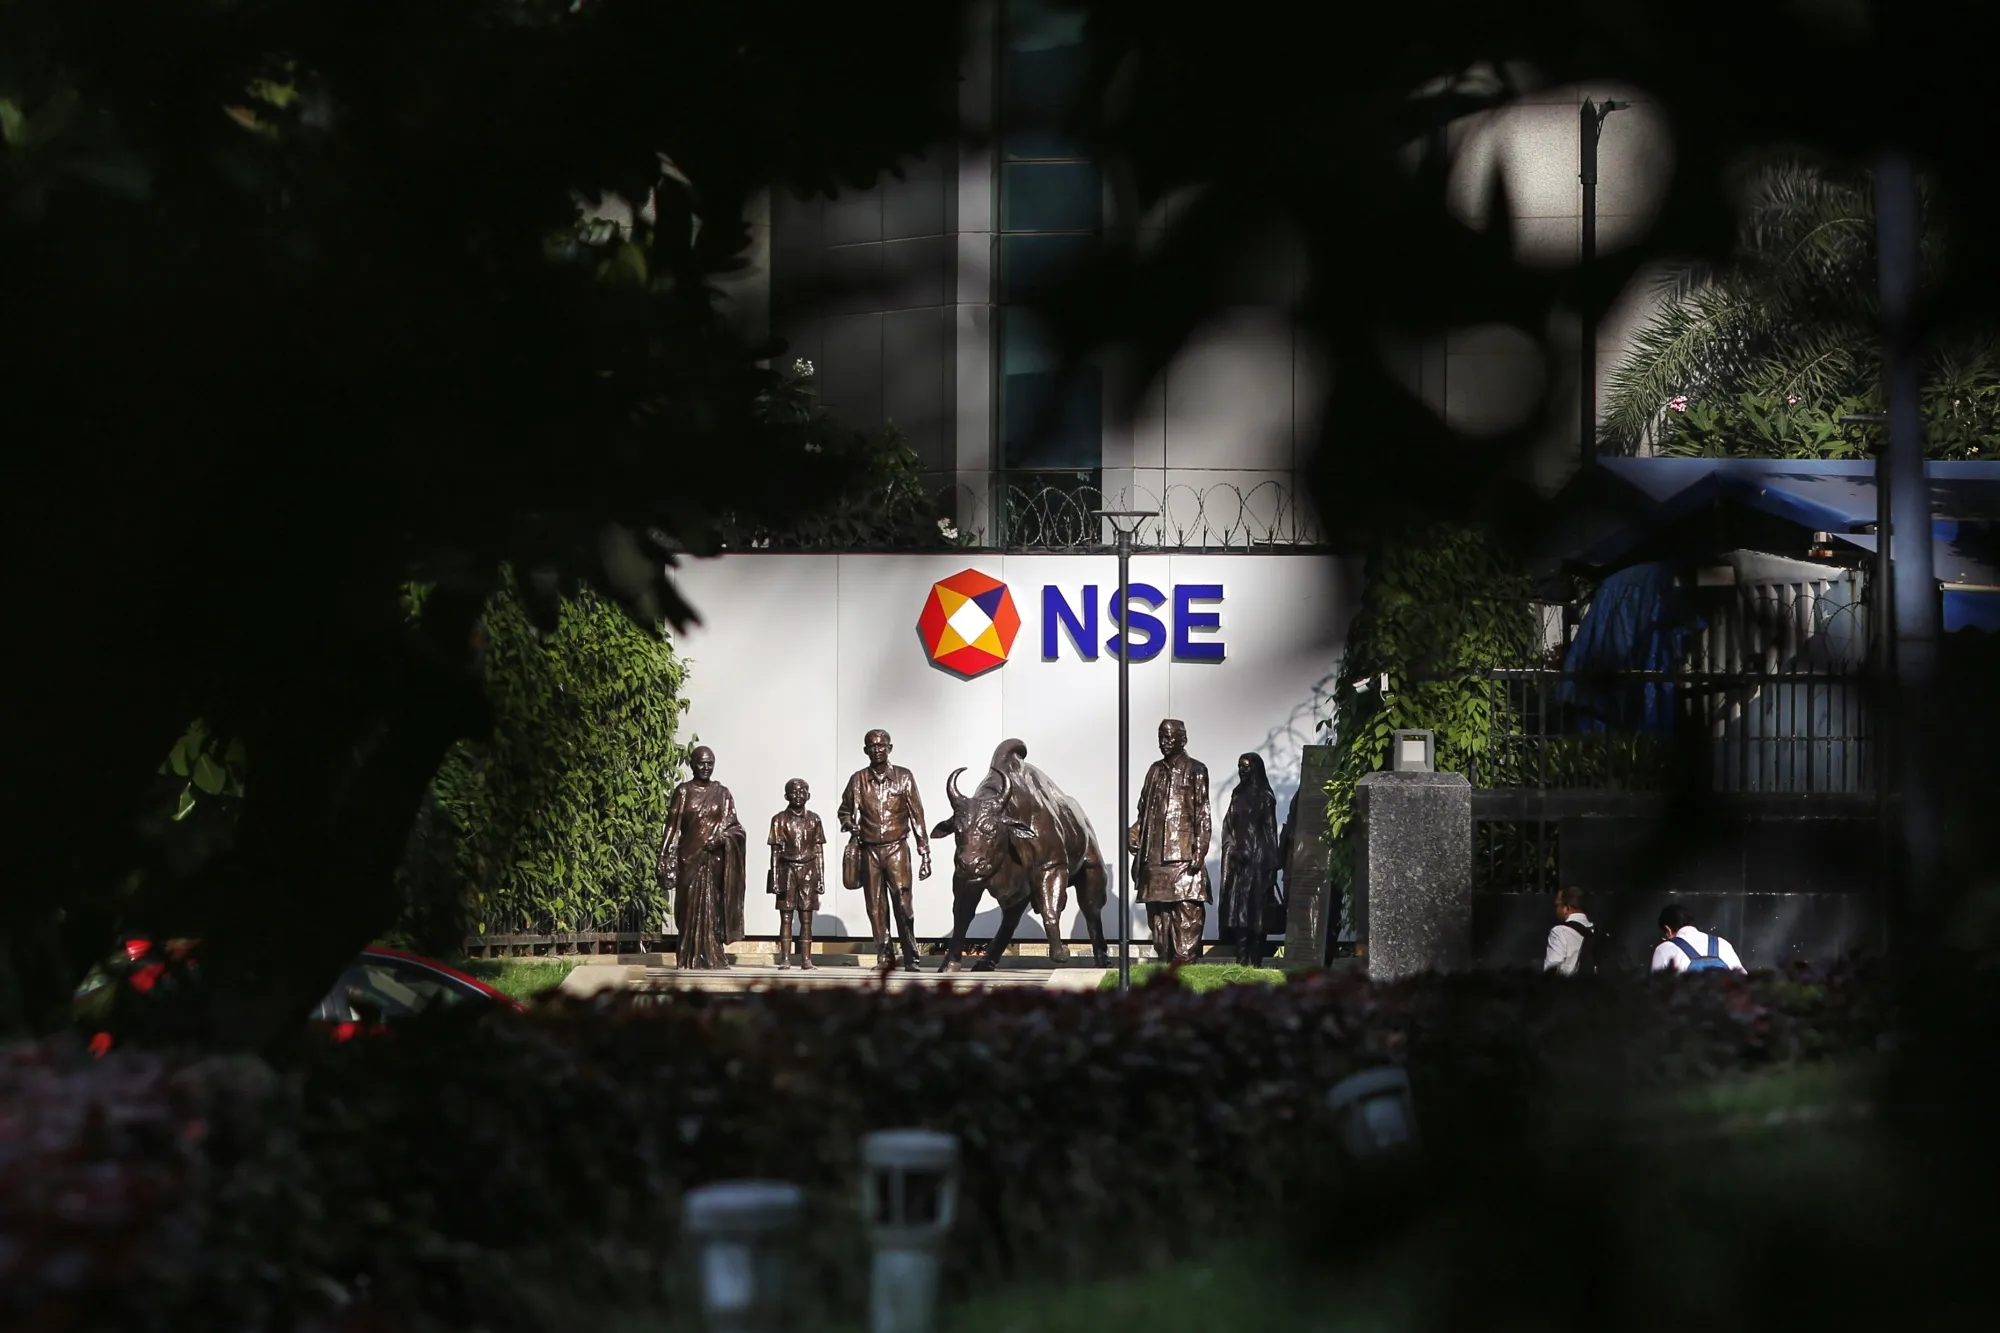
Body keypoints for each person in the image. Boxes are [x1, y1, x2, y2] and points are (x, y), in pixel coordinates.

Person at [838, 728, 932, 972]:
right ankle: (885, 957)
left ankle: (911, 955)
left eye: (881, 745)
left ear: (889, 748)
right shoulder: (858, 780)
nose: (877, 750)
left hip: (896, 848)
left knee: (903, 903)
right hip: (869, 850)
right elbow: (844, 811)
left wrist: (925, 853)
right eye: (872, 746)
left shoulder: (904, 777)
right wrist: (849, 823)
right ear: (865, 750)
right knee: (875, 907)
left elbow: (917, 816)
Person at [656, 746, 747, 970]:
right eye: (701, 763)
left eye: (710, 763)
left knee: (712, 908)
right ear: (692, 764)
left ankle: (713, 955)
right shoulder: (683, 792)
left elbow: (735, 828)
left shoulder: (722, 793)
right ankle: (687, 957)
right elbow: (672, 826)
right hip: (689, 859)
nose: (706, 767)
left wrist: (722, 839)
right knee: (687, 908)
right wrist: (663, 855)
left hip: (714, 860)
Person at [1129, 719, 1212, 966]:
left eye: (1168, 737)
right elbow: (1143, 811)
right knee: (1158, 918)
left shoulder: (1196, 769)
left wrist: (1200, 849)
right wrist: (1134, 831)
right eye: (1160, 738)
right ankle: (1166, 964)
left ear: (1183, 739)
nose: (1163, 743)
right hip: (1154, 857)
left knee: (1187, 915)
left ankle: (1184, 965)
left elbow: (1203, 813)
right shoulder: (1154, 771)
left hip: (1183, 856)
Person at [1219, 753, 1283, 966]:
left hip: (1259, 861)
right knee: (1239, 912)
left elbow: (1271, 831)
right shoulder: (1237, 795)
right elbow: (1229, 825)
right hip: (1239, 861)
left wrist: (1273, 864)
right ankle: (1241, 958)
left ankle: (1255, 960)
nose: (1241, 771)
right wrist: (1232, 850)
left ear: (1255, 769)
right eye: (1239, 766)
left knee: (1257, 912)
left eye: (1245, 767)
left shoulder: (1266, 797)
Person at [767, 779, 826, 970]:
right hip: (787, 870)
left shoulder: (815, 819)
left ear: (808, 795)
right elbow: (775, 852)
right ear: (786, 796)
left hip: (809, 871)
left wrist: (821, 878)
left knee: (806, 918)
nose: (798, 795)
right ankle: (785, 959)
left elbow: (819, 851)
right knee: (786, 917)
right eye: (794, 792)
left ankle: (806, 959)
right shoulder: (778, 820)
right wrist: (775, 878)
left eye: (802, 791)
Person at [1649, 904, 1747, 974]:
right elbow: (1743, 979)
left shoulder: (1664, 949)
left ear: (1668, 929)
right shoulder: (1722, 943)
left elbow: (1656, 988)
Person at [1543, 885, 1597, 976]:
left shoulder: (1559, 932)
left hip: (1570, 984)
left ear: (1566, 908)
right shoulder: (1595, 931)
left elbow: (1551, 973)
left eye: (1557, 905)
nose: (1556, 910)